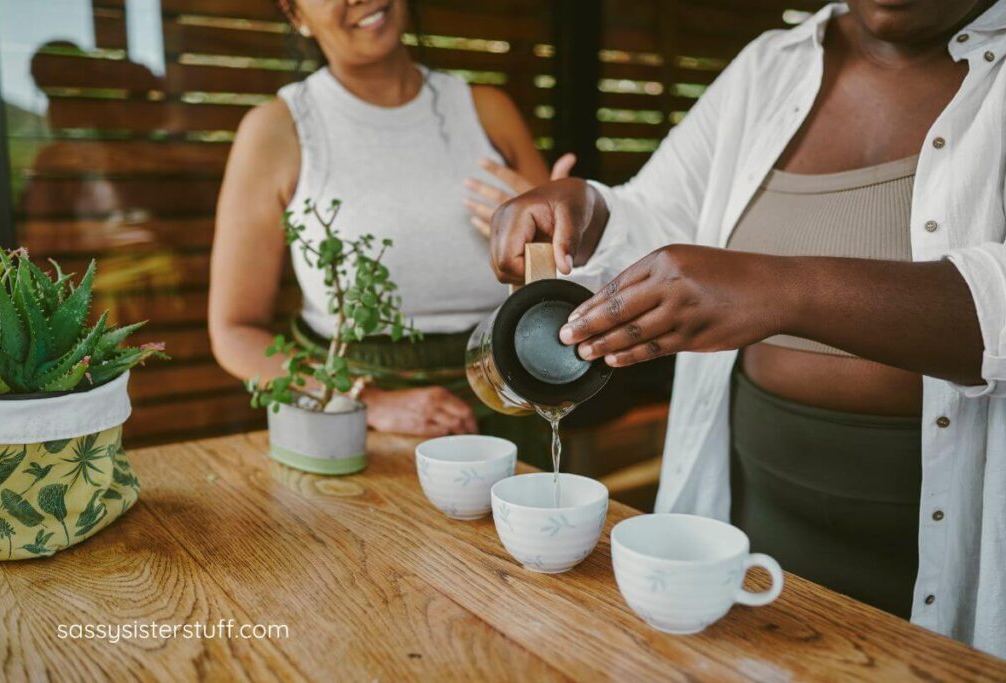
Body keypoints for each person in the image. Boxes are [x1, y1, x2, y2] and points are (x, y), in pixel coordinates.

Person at [489, 0, 1006, 656]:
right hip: (757, 536)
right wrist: (588, 207)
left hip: (949, 561)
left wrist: (787, 289)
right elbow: (655, 211)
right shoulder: (770, 67)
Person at [209, 0, 571, 440]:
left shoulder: (488, 111)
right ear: (296, 16)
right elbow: (233, 331)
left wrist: (551, 236)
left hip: (513, 407)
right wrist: (367, 401)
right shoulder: (277, 130)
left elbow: (556, 283)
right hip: (355, 430)